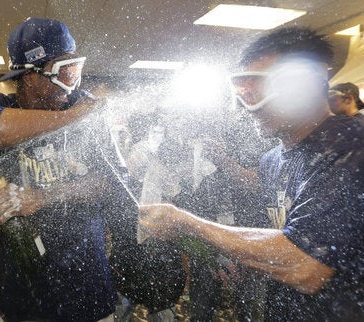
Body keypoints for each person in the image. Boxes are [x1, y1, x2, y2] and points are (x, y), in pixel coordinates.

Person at [140, 27, 364, 321]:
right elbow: (279, 235)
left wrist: (188, 223)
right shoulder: (272, 160)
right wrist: (245, 258)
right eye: (243, 92)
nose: (248, 107)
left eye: (256, 91)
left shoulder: (351, 146)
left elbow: (307, 267)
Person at [0, 18, 127, 322]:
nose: (72, 83)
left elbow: (112, 183)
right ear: (31, 76)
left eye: (74, 70)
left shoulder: (82, 108)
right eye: (64, 71)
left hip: (87, 288)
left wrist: (41, 197)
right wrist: (73, 118)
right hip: (21, 292)